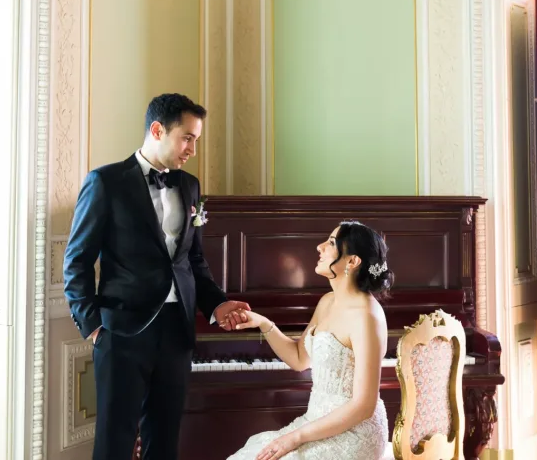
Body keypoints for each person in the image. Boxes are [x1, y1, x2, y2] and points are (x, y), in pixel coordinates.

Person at [63, 93, 250, 460]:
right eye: (188, 138)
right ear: (157, 129)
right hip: (122, 332)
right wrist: (94, 327)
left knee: (164, 441)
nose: (192, 149)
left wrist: (217, 303)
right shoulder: (105, 182)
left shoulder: (190, 186)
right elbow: (77, 261)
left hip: (176, 331)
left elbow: (193, 261)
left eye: (196, 139)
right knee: (114, 443)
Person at [226, 220, 395, 460]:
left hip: (355, 434)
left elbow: (363, 406)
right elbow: (298, 359)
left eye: (331, 243)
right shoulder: (327, 301)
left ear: (352, 261)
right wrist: (264, 324)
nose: (319, 247)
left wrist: (294, 438)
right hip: (315, 423)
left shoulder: (367, 315)